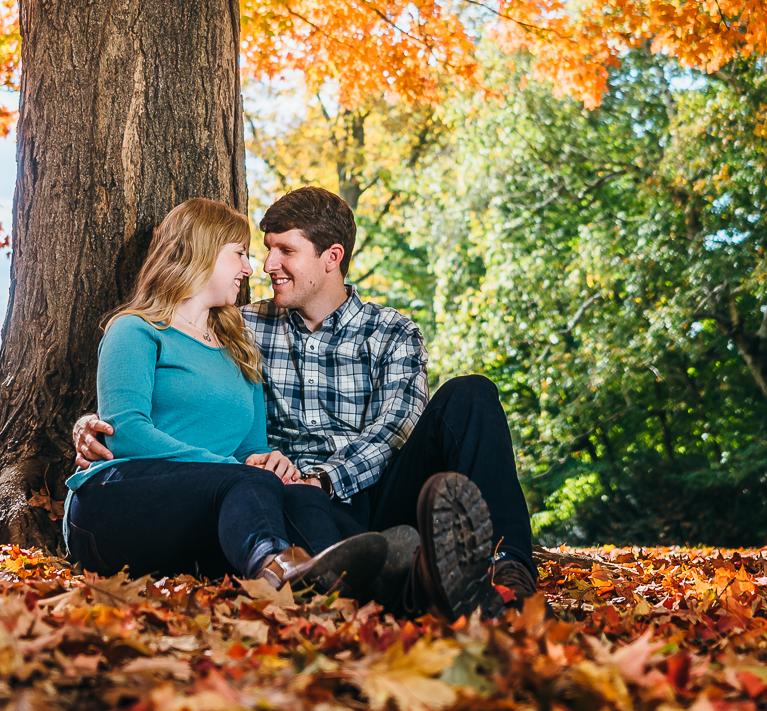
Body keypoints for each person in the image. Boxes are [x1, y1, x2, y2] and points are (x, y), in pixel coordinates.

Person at [76, 186, 537, 619]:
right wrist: (93, 425)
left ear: (331, 258)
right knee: (313, 521)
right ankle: (424, 584)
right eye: (262, 249)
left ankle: (509, 567)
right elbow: (163, 373)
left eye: (286, 251)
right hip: (292, 495)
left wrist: (326, 478)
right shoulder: (242, 328)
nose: (266, 264)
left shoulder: (392, 331)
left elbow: (396, 427)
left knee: (472, 394)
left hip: (369, 484)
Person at [62, 197, 392, 594]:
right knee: (248, 483)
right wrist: (234, 470)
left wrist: (268, 463)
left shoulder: (242, 350)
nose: (251, 269)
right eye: (240, 254)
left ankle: (355, 591)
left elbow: (250, 451)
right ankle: (274, 572)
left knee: (301, 497)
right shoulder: (137, 330)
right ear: (202, 251)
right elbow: (127, 431)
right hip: (114, 504)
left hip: (200, 512)